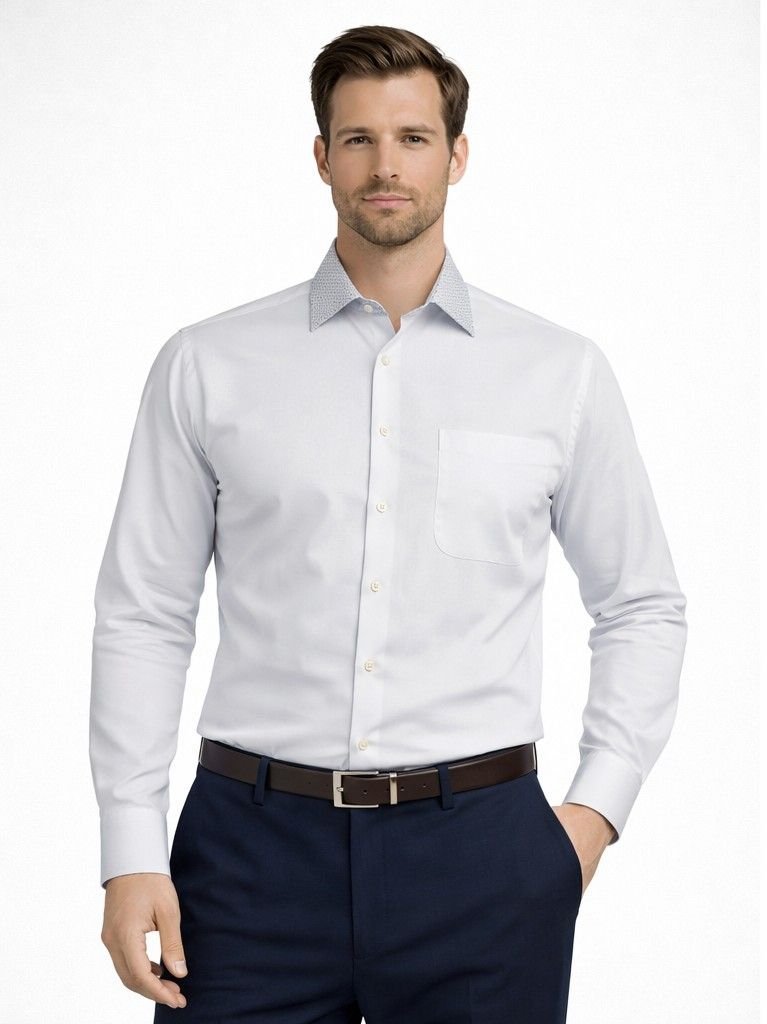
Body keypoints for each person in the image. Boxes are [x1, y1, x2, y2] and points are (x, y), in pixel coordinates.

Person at [90, 24, 688, 1023]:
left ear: (457, 155)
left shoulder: (558, 373)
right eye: (358, 138)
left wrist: (590, 816)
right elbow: (143, 611)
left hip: (485, 854)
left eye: (412, 137)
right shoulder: (208, 364)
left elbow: (641, 604)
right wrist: (128, 846)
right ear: (321, 157)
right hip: (247, 855)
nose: (385, 165)